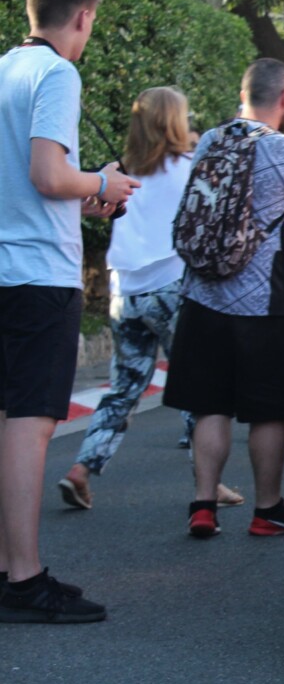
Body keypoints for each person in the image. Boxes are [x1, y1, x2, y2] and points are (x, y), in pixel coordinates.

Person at [0, 0, 139, 623]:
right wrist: (101, 186)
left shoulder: (3, 69)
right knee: (29, 428)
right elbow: (49, 173)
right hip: (38, 277)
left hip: (5, 269)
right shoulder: (57, 72)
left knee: (8, 424)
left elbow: (27, 185)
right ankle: (25, 579)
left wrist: (80, 198)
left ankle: (10, 571)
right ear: (81, 16)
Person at [162, 58, 284, 539]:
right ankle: (268, 509)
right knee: (268, 409)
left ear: (244, 93)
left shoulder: (211, 140)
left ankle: (203, 504)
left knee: (210, 404)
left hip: (201, 295)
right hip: (261, 303)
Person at [59, 87, 243, 511]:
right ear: (175, 122)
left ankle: (82, 469)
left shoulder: (119, 173)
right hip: (172, 286)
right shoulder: (189, 168)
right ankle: (208, 484)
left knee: (123, 387)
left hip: (125, 291)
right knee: (198, 383)